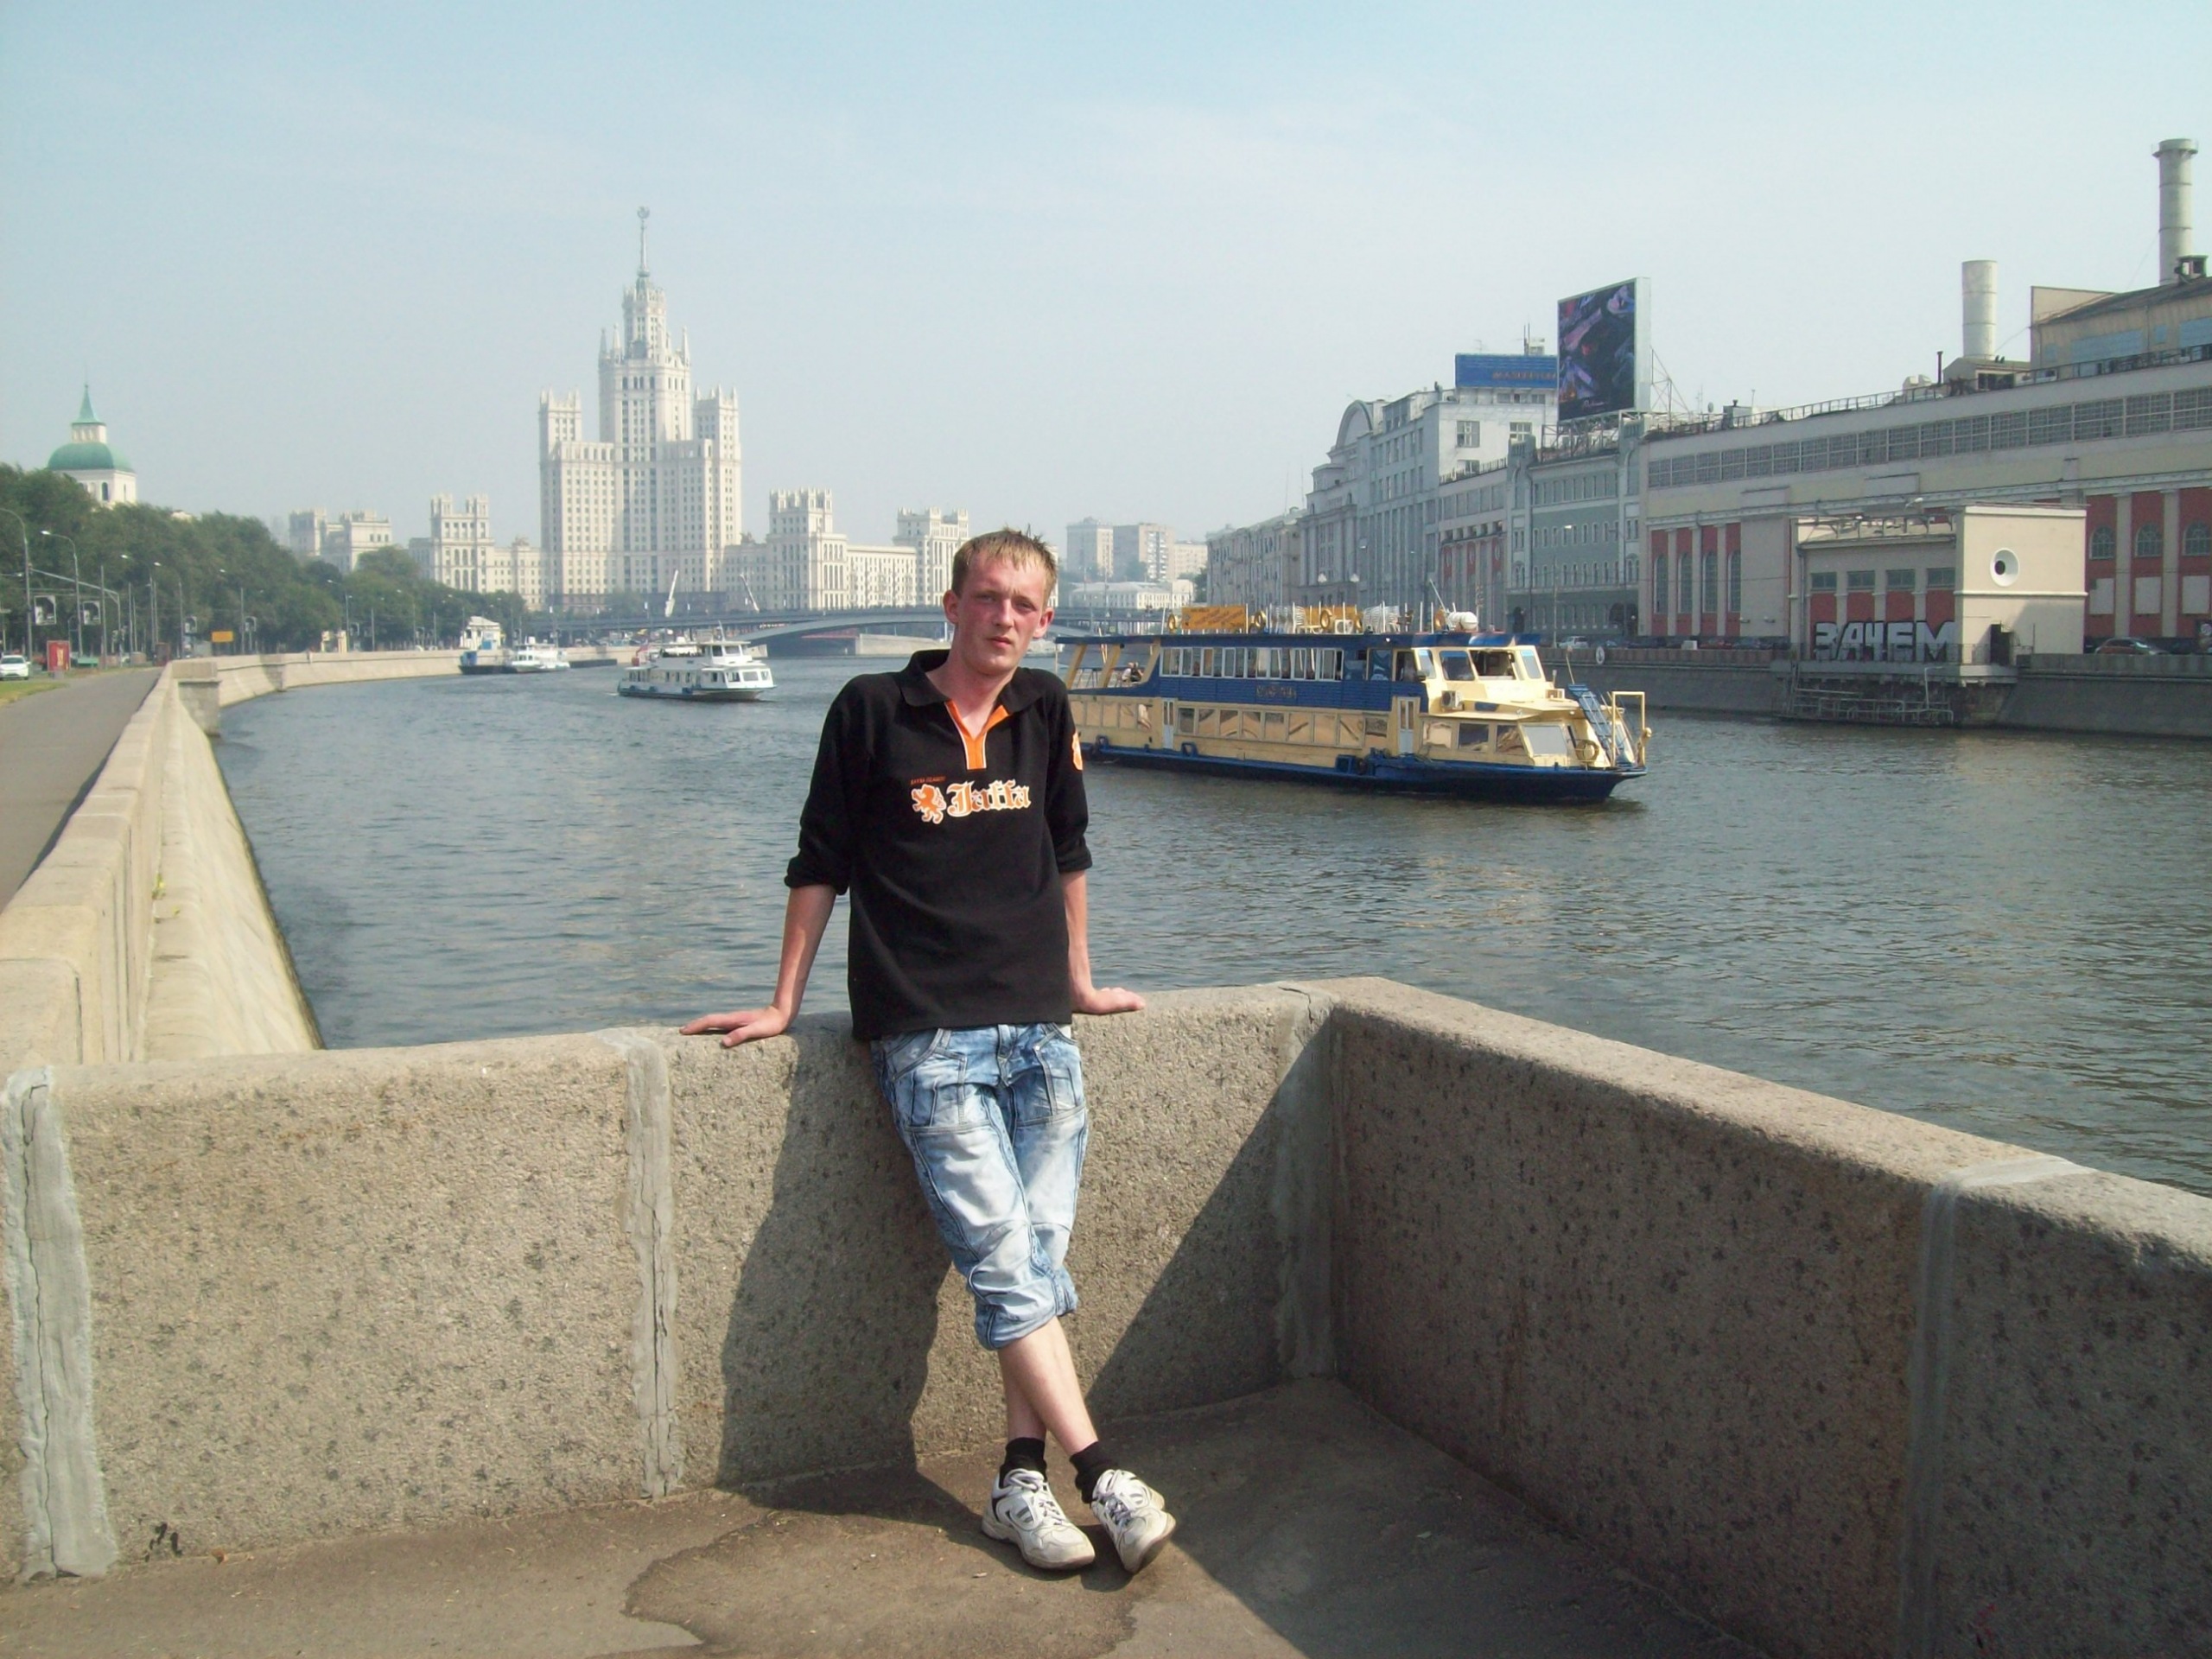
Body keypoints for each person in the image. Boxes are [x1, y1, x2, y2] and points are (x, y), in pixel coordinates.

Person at [683, 529, 1176, 1577]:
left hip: (1039, 1030)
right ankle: (1103, 1475)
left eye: (1024, 605)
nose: (1004, 618)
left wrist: (1082, 983)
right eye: (987, 598)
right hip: (927, 1033)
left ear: (1045, 621)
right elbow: (821, 859)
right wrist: (783, 1002)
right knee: (1003, 1262)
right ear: (949, 606)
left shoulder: (1044, 708)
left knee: (1032, 1265)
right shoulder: (870, 709)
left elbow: (1068, 851)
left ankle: (1017, 1481)